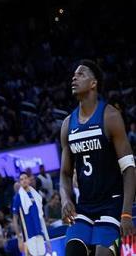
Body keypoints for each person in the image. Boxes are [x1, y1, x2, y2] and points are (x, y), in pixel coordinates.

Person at [60, 60, 136, 256]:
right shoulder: (68, 124)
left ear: (93, 83)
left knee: (103, 253)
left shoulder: (110, 116)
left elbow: (129, 167)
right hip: (85, 205)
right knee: (73, 251)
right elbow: (65, 173)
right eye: (74, 75)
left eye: (81, 74)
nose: (74, 78)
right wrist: (65, 199)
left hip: (112, 204)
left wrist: (126, 212)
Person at [12, 172, 51, 256]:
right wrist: (19, 238)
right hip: (28, 234)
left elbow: (40, 213)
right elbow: (15, 218)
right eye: (21, 179)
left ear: (29, 180)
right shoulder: (18, 197)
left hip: (39, 231)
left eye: (25, 178)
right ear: (19, 182)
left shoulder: (35, 194)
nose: (24, 180)